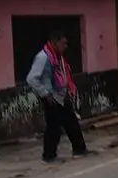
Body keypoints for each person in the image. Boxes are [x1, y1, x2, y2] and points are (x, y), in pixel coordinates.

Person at [26, 30, 93, 163]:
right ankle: (49, 156)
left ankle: (79, 149)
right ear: (54, 43)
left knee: (72, 122)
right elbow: (32, 79)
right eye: (63, 44)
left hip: (61, 95)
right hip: (51, 97)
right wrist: (45, 93)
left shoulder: (57, 57)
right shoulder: (43, 57)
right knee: (54, 127)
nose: (65, 47)